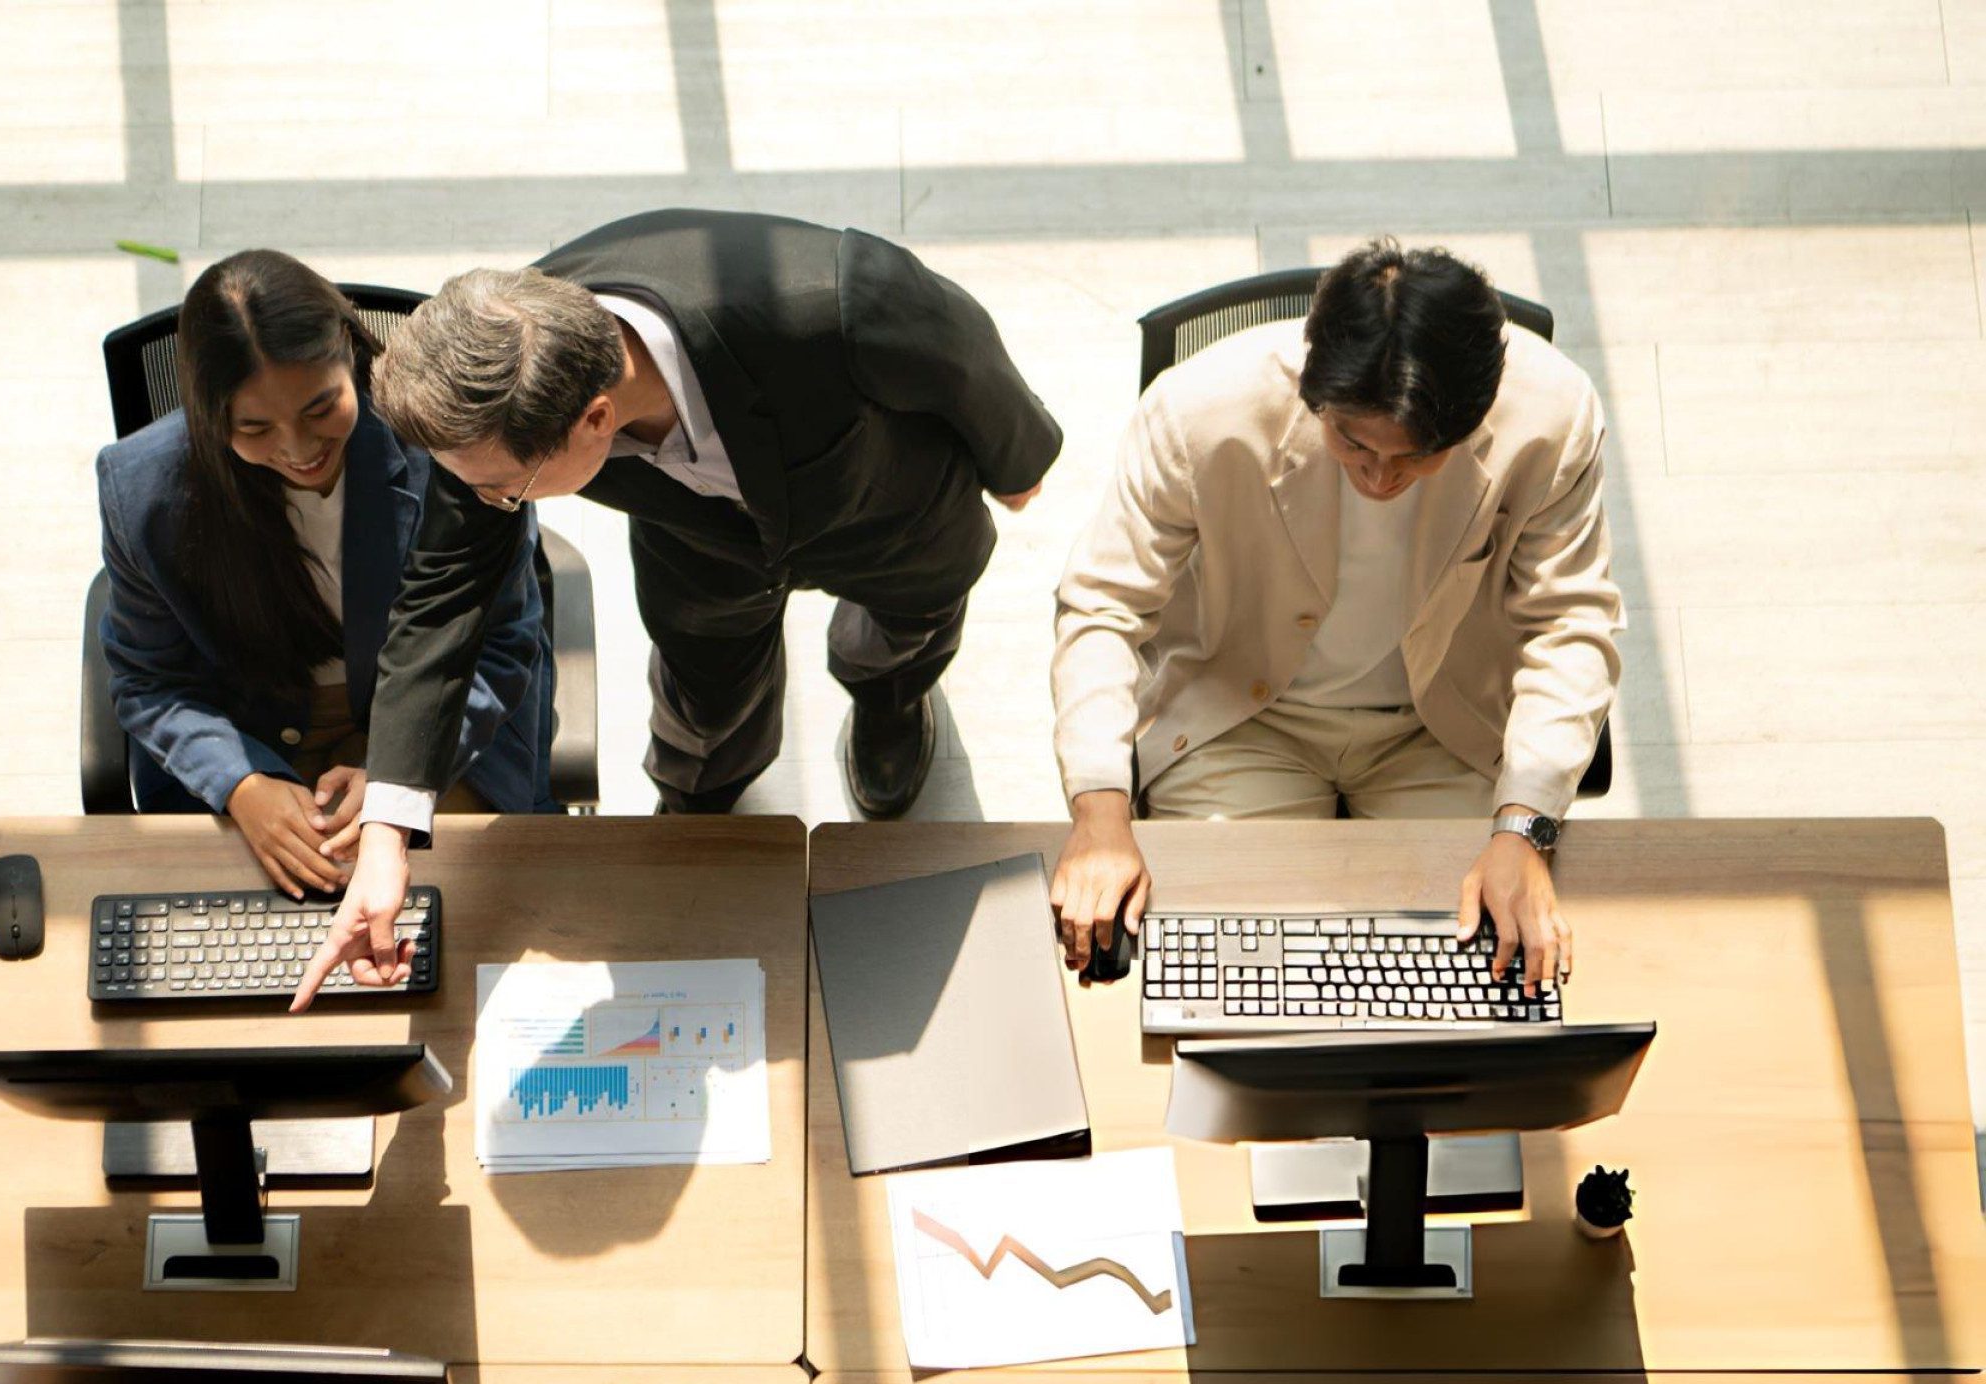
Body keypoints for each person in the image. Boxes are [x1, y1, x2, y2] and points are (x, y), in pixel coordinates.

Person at [290, 208, 1061, 1005]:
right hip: (696, 545)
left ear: (595, 420)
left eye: (506, 491)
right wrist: (386, 837)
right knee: (704, 695)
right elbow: (440, 599)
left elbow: (960, 352)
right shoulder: (488, 412)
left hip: (881, 511)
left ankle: (887, 702)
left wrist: (1016, 460)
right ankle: (702, 793)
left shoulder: (836, 300)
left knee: (903, 636)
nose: (490, 502)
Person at [1048, 240, 1621, 996]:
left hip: (1444, 727)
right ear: (1313, 390)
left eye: (1415, 456)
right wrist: (1098, 813)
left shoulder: (1553, 416)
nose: (1379, 477)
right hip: (1243, 718)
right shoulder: (1196, 411)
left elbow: (1570, 620)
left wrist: (1523, 828)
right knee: (1230, 980)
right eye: (1351, 441)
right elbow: (1102, 604)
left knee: (1472, 977)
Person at [97, 249, 555, 901]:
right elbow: (149, 678)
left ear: (349, 349)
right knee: (246, 930)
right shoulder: (141, 488)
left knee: (439, 914)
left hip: (435, 714)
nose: (299, 448)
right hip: (246, 732)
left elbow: (502, 642)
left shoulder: (449, 443)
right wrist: (241, 784)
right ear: (207, 411)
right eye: (254, 427)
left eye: (319, 408)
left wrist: (398, 779)